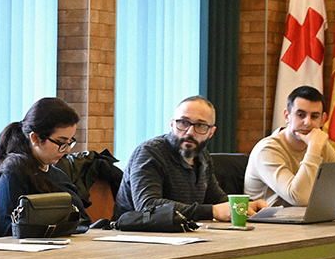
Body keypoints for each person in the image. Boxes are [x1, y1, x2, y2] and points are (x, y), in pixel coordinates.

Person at [113, 95, 266, 222]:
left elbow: (218, 200)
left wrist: (245, 206)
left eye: (200, 125)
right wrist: (212, 211)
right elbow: (148, 206)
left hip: (183, 237)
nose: (190, 132)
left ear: (211, 132)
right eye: (183, 123)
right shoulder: (149, 152)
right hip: (135, 238)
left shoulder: (203, 157)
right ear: (172, 124)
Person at [0, 97, 89, 239]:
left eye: (70, 141)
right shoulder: (14, 172)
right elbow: (10, 231)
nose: (67, 149)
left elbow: (82, 222)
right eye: (61, 142)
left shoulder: (58, 175)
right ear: (35, 138)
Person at [244, 85, 335, 207]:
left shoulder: (321, 145)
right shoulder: (267, 150)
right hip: (268, 220)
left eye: (314, 116)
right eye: (300, 115)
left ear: (323, 120)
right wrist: (313, 149)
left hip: (305, 218)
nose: (307, 123)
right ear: (287, 116)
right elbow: (299, 198)